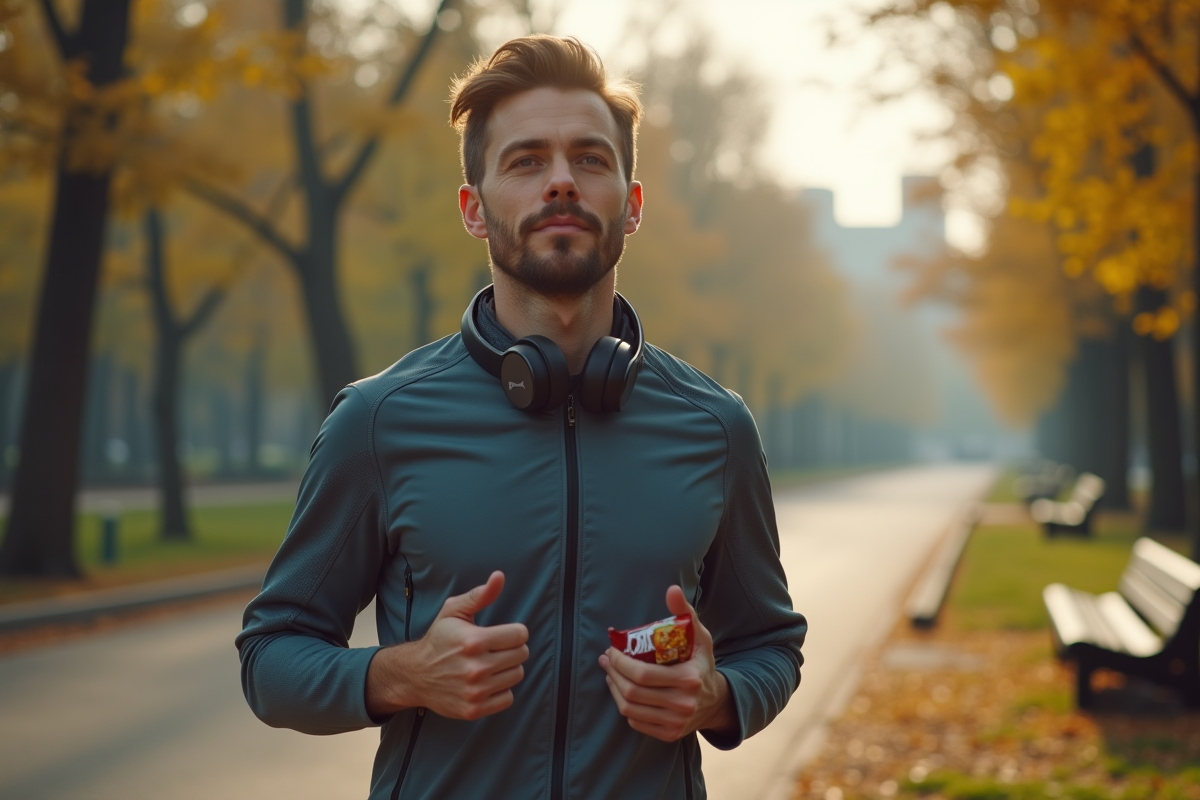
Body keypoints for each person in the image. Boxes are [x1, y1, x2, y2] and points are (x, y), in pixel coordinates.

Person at [236, 34, 806, 800]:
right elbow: (271, 657)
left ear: (631, 206)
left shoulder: (715, 426)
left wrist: (719, 696)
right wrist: (399, 673)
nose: (562, 183)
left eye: (591, 159)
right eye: (526, 160)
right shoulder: (378, 421)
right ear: (475, 210)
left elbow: (770, 643)